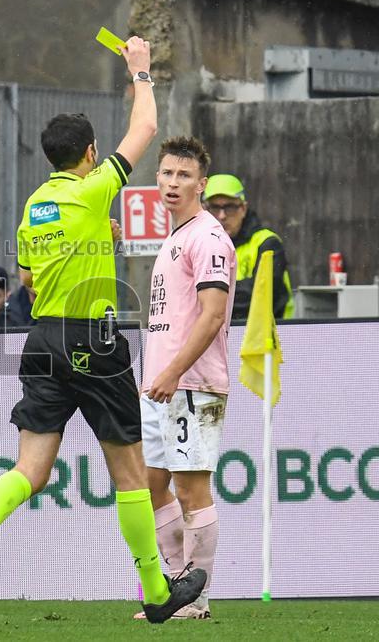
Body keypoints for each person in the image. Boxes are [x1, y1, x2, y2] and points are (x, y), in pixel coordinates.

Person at [0, 36, 205, 623]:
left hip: (42, 340)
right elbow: (146, 125)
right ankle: (156, 591)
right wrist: (140, 70)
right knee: (131, 473)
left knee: (29, 470)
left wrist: (93, 241)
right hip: (93, 338)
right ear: (89, 153)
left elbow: (30, 282)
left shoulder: (35, 205)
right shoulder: (94, 188)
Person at [135, 137, 236, 621]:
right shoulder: (175, 237)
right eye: (167, 173)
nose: (173, 183)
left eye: (184, 175)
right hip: (160, 385)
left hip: (193, 383)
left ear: (201, 184)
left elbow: (212, 315)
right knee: (152, 486)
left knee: (192, 491)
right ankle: (176, 587)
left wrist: (174, 371)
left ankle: (197, 600)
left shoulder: (209, 237)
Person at [203, 174, 293, 319]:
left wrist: (209, 296)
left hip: (271, 331)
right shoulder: (200, 246)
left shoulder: (267, 243)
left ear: (243, 209)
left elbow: (259, 296)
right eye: (214, 208)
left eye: (230, 207)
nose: (222, 216)